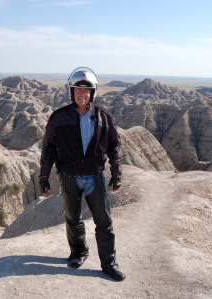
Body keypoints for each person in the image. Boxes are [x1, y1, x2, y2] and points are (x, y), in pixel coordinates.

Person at [38, 67, 126, 281]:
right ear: (72, 92)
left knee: (104, 221)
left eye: (86, 91)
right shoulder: (59, 118)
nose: (82, 94)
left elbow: (115, 146)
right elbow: (49, 148)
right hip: (69, 176)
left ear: (92, 93)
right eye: (78, 90)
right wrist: (43, 176)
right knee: (73, 218)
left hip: (95, 176)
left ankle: (109, 263)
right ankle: (79, 252)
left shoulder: (104, 116)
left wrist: (116, 172)